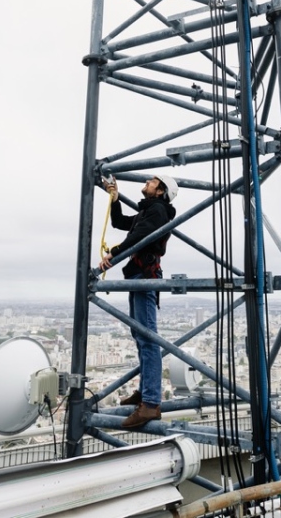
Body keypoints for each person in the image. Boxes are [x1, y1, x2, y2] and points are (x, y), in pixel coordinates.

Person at [99, 173, 178, 429]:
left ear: (160, 191)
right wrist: (114, 198)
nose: (147, 183)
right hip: (139, 275)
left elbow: (140, 235)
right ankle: (146, 394)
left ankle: (151, 403)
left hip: (145, 275)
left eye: (152, 182)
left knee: (147, 339)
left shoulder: (157, 211)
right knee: (140, 336)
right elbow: (122, 223)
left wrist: (115, 253)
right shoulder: (149, 211)